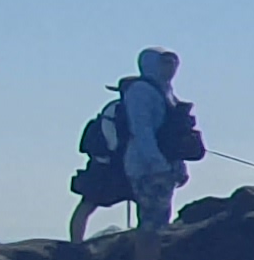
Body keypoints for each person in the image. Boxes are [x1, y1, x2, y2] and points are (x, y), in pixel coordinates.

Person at [67, 48, 206, 240]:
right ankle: (76, 245)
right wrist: (157, 164)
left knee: (152, 215)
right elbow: (142, 131)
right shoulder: (142, 92)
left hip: (150, 163)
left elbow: (172, 135)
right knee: (94, 200)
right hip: (137, 163)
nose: (172, 67)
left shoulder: (166, 92)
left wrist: (177, 167)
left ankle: (140, 254)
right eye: (165, 62)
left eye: (175, 62)